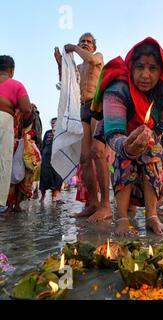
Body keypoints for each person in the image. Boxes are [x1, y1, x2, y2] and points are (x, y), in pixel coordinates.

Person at [93, 37, 163, 236]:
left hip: (148, 133)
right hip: (120, 133)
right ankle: (122, 218)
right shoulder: (117, 89)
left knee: (152, 154)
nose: (145, 75)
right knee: (125, 160)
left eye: (153, 68)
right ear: (131, 66)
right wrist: (126, 146)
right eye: (140, 67)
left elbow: (160, 128)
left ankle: (152, 216)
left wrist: (150, 139)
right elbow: (114, 133)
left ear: (161, 72)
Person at [54, 32, 112, 221]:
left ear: (94, 46)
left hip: (97, 105)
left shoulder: (97, 57)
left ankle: (105, 205)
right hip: (81, 109)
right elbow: (68, 83)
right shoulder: (78, 66)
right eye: (82, 41)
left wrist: (75, 47)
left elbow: (92, 61)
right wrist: (60, 64)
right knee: (84, 158)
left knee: (98, 152)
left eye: (88, 42)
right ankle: (93, 203)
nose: (85, 44)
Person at [0, 55, 34, 211]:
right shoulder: (16, 84)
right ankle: (0, 204)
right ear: (11, 71)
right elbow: (26, 108)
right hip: (4, 119)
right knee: (3, 162)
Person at [39, 118, 64, 204]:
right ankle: (43, 196)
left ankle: (55, 196)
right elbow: (43, 144)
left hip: (58, 158)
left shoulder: (61, 132)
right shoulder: (47, 132)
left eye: (55, 123)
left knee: (57, 177)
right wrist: (41, 155)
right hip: (46, 158)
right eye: (52, 123)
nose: (53, 124)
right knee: (44, 176)